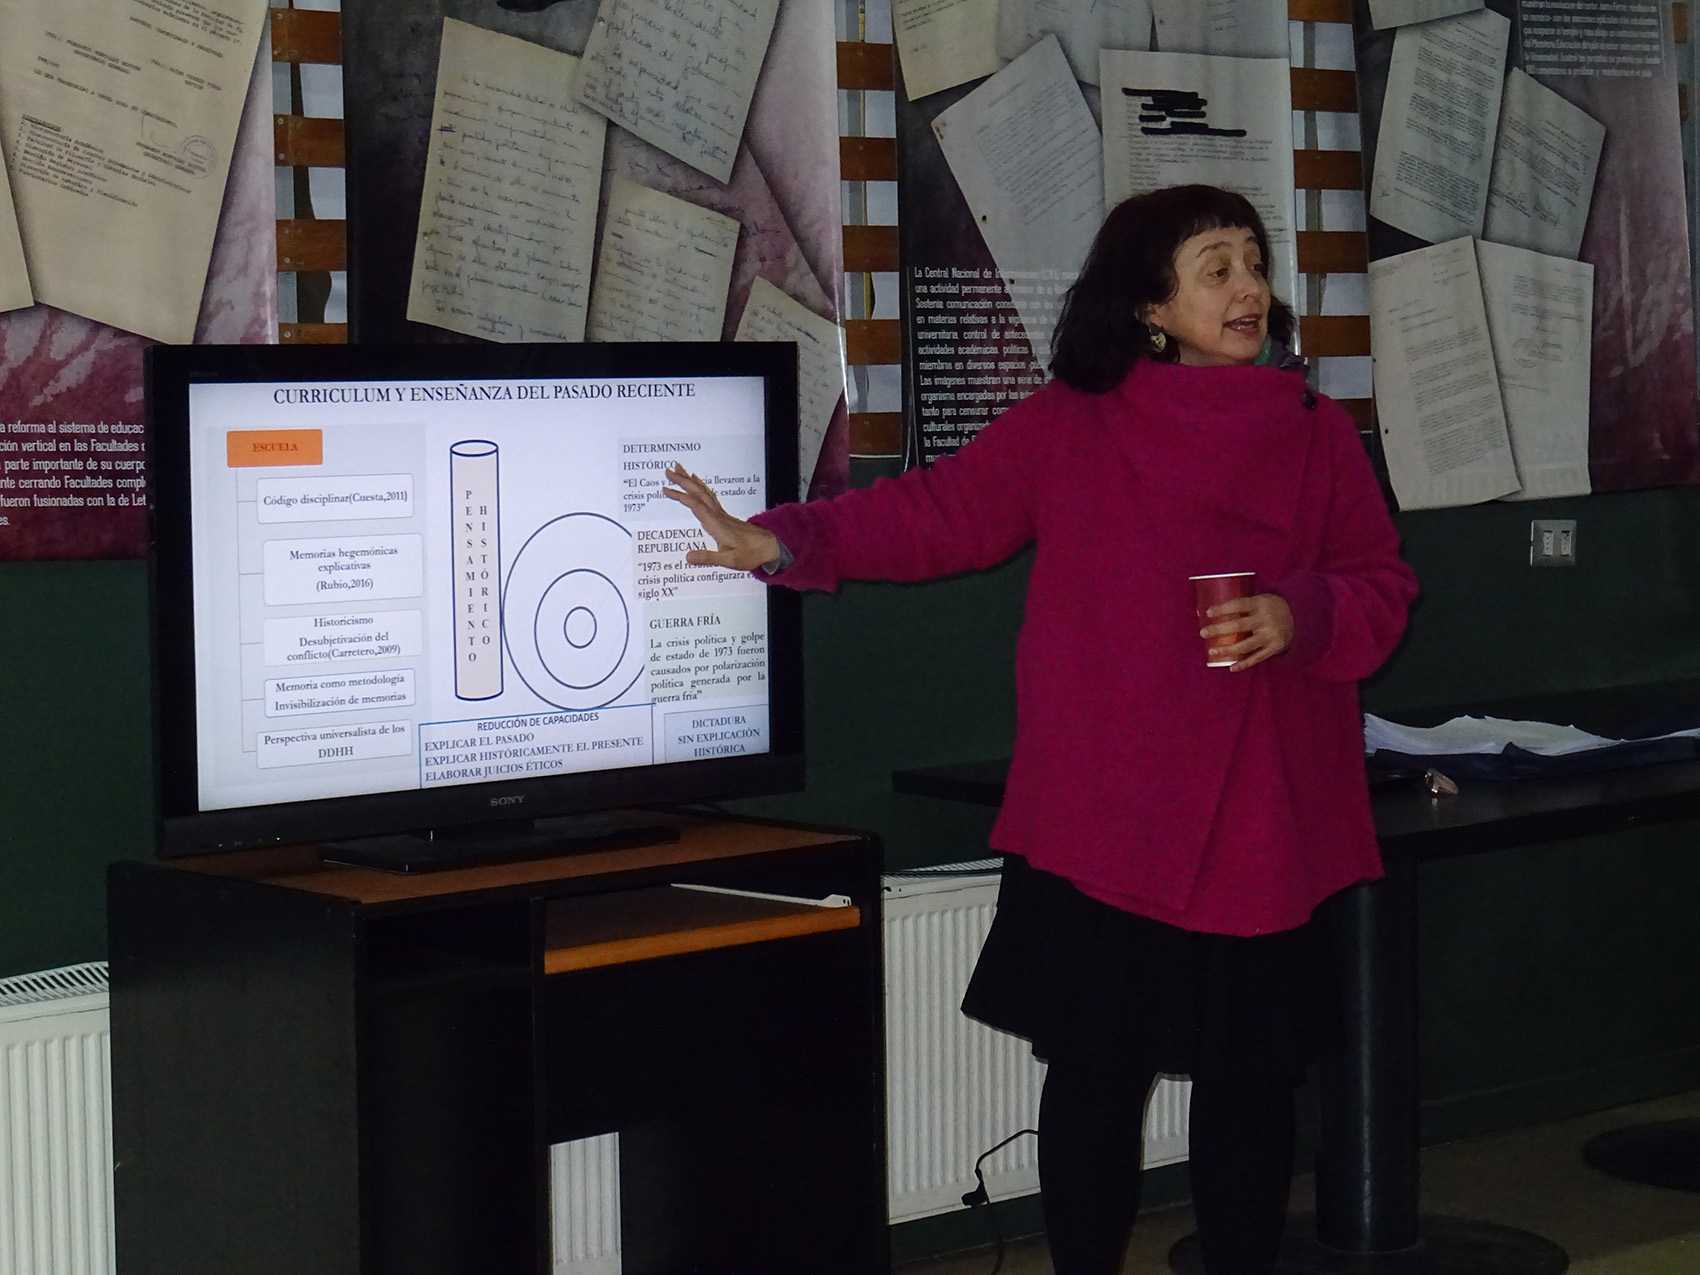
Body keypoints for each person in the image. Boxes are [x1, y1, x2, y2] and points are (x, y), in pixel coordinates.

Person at [663, 184, 1418, 1275]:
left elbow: (1381, 585)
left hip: (1259, 820)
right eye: (1216, 268)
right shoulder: (1075, 422)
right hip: (1106, 818)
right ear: (1149, 306)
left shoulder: (1315, 434)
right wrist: (781, 542)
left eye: (1253, 264)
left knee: (1252, 1085)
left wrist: (1301, 615)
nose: (1248, 288)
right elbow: (934, 515)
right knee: (1096, 1078)